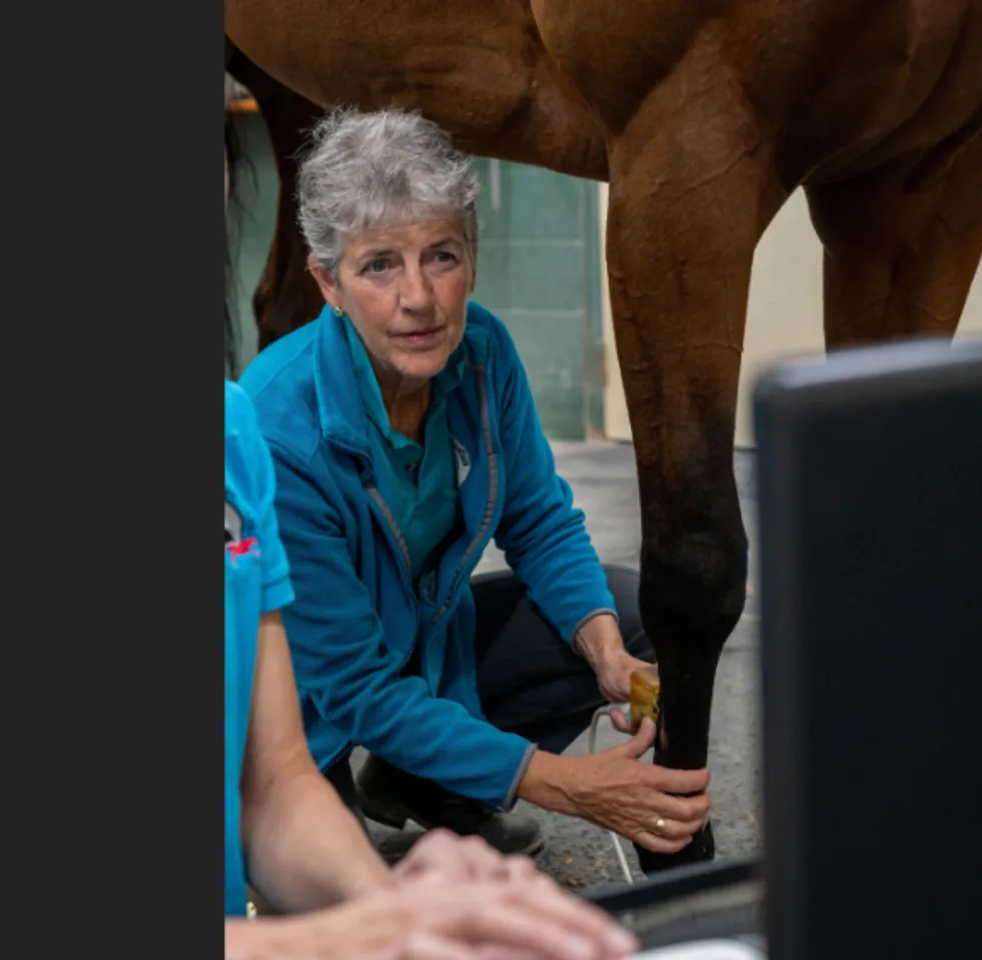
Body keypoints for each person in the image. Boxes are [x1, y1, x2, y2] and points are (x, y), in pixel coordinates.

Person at [238, 106, 711, 857]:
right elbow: (353, 686)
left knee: (626, 610)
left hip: (423, 647)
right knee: (338, 893)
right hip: (295, 700)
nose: (418, 298)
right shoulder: (276, 427)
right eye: (379, 265)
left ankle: (423, 782)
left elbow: (540, 521)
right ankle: (330, 787)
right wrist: (562, 783)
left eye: (441, 255)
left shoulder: (483, 353)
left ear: (473, 258)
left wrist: (603, 651)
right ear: (329, 284)